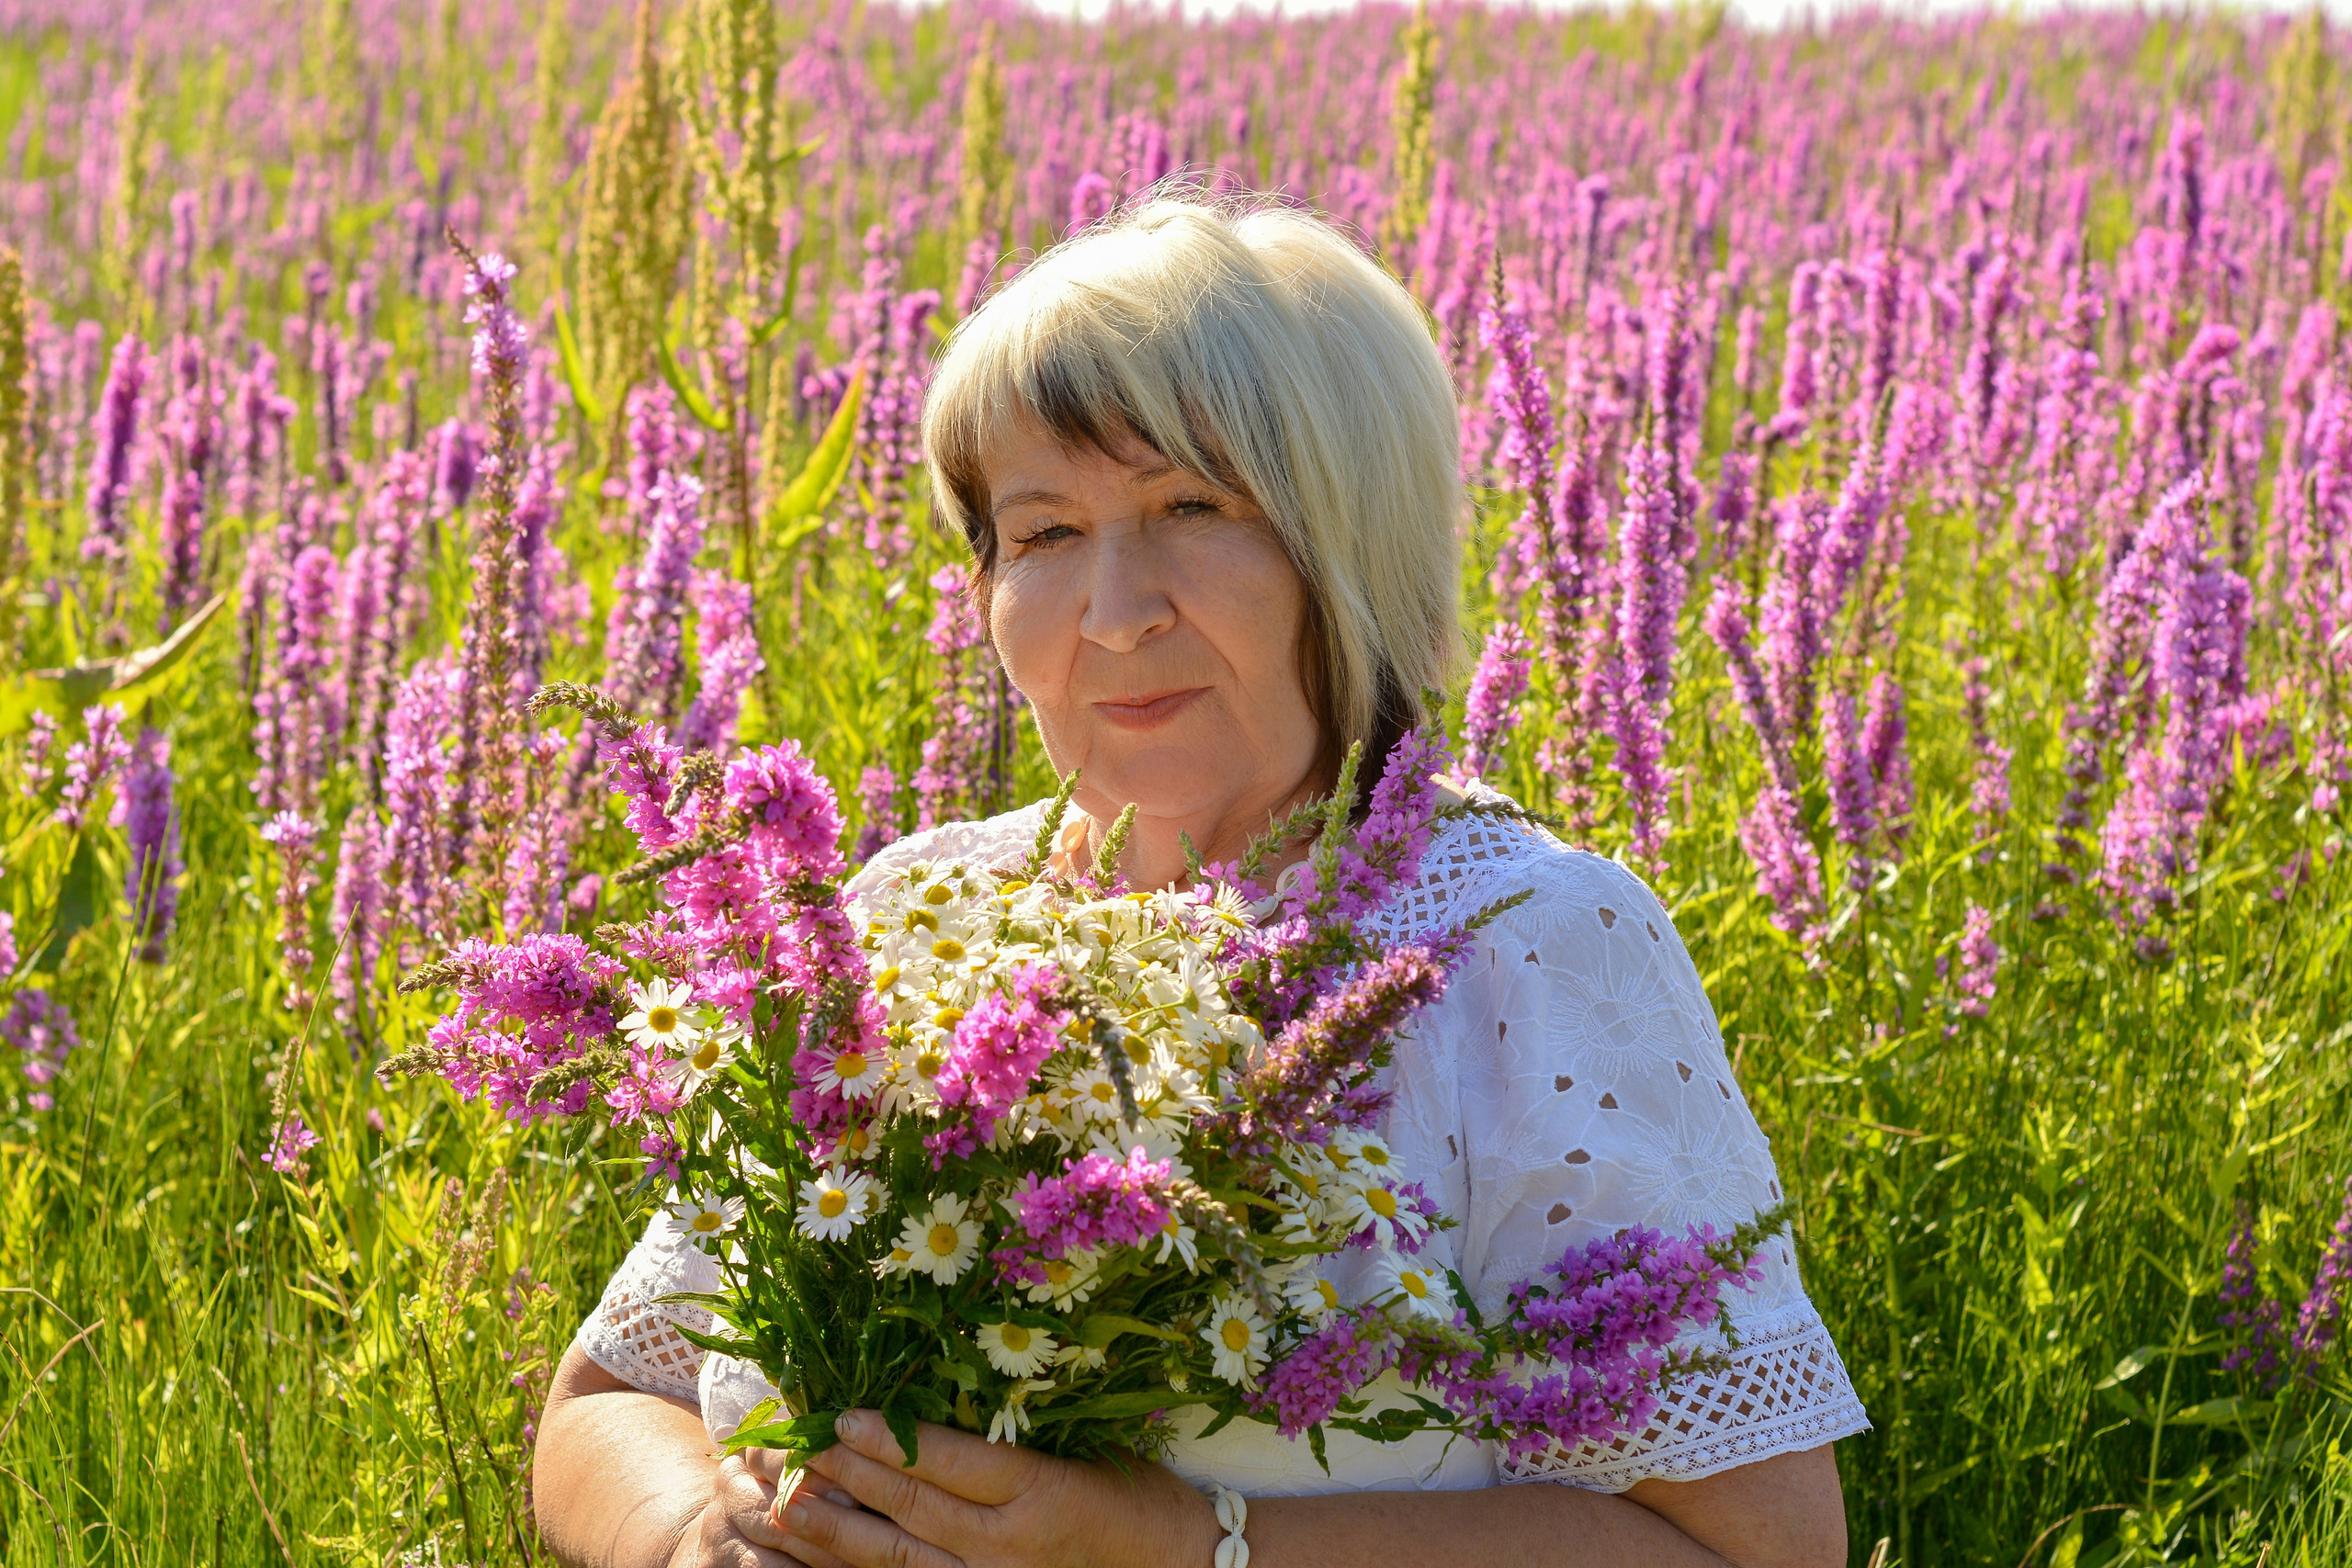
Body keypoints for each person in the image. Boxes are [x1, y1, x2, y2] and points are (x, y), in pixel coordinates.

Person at [532, 188, 1868, 1568]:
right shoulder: (901, 920)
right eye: (1043, 534)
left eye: (1191, 505)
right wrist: (697, 1533)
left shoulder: (1524, 944)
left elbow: (1753, 1549)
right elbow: (608, 1403)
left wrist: (1194, 1545)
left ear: (1351, 544)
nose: (1116, 614)